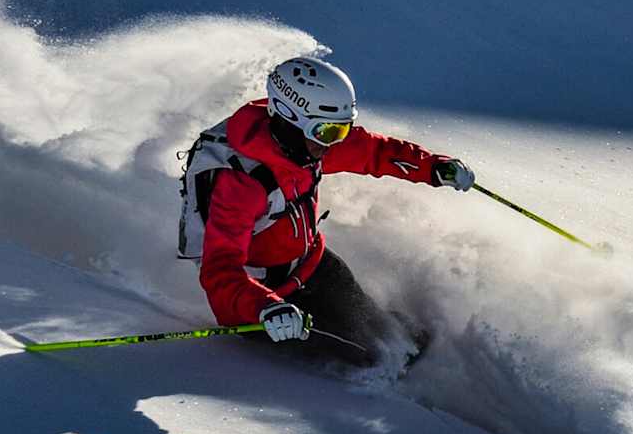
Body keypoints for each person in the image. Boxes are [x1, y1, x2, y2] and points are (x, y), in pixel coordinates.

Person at [176, 56, 475, 366]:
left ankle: (447, 378)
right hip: (271, 303)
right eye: (329, 132)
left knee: (397, 333)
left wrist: (432, 167)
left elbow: (374, 151)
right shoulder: (242, 184)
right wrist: (267, 307)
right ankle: (402, 404)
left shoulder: (306, 145)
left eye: (342, 131)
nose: (335, 144)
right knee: (376, 357)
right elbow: (219, 271)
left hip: (313, 266)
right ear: (290, 119)